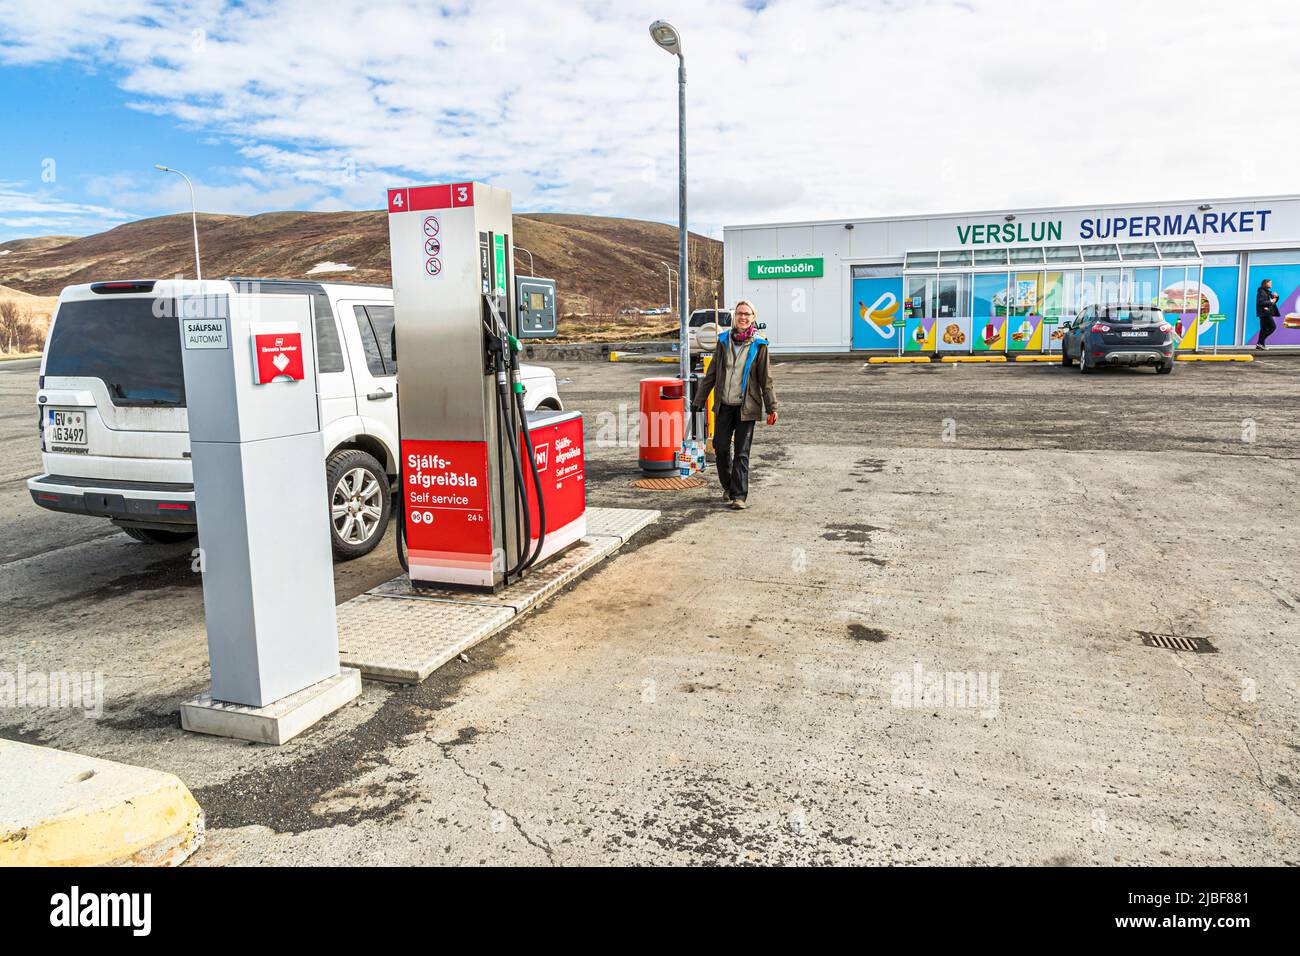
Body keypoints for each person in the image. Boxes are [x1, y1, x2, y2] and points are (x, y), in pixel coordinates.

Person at [691, 299, 777, 510]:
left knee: (741, 452)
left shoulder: (760, 345)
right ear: (734, 317)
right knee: (720, 448)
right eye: (740, 313)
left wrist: (771, 407)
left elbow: (766, 380)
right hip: (723, 404)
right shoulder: (722, 341)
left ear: (753, 318)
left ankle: (739, 495)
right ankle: (728, 485)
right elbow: (712, 374)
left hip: (746, 407)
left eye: (747, 314)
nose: (743, 317)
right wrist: (699, 401)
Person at [1256, 279, 1280, 350]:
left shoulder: (1266, 292)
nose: (1271, 284)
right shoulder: (1262, 292)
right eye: (1270, 283)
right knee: (1272, 327)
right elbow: (1261, 302)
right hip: (1264, 313)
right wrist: (1271, 300)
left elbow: (1273, 302)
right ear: (1265, 283)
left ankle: (1260, 345)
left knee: (1264, 329)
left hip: (1265, 313)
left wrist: (1276, 297)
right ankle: (1260, 343)